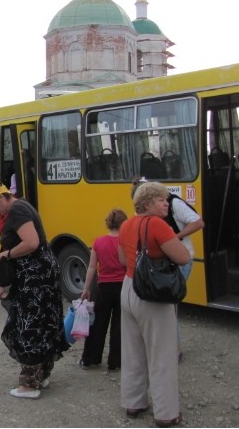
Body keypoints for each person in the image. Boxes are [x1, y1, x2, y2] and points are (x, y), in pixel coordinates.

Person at [0, 181, 69, 399]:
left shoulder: (17, 210)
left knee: (29, 326)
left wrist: (6, 255)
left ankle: (29, 385)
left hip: (35, 276)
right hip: (41, 273)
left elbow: (31, 242)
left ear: (0, 198)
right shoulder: (23, 206)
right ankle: (41, 376)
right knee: (44, 323)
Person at [118, 182, 190, 427]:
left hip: (128, 288)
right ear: (147, 203)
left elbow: (121, 258)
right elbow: (182, 257)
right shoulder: (157, 224)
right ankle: (166, 413)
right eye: (162, 200)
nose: (166, 203)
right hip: (151, 294)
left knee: (132, 351)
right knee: (161, 354)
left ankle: (133, 402)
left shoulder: (127, 224)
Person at [79, 208, 127, 371]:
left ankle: (90, 359)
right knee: (119, 325)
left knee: (98, 324)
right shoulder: (125, 242)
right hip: (123, 286)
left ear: (108, 223)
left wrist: (86, 289)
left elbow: (92, 267)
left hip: (103, 287)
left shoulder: (98, 242)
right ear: (124, 223)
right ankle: (116, 362)